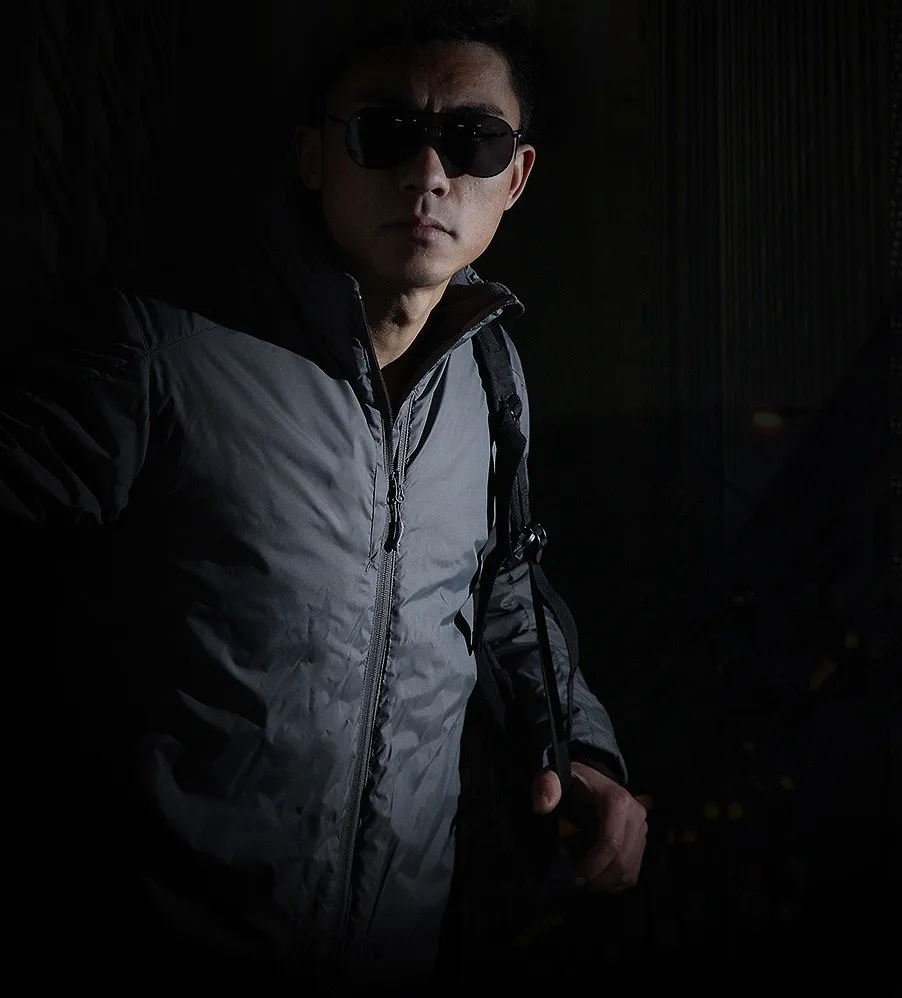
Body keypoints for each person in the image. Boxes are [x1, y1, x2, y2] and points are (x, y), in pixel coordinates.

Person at [2, 2, 647, 989]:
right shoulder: (161, 352)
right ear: (313, 156)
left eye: (471, 140)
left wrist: (583, 752)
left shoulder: (490, 377)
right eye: (385, 132)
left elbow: (503, 596)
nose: (428, 173)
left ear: (514, 176)